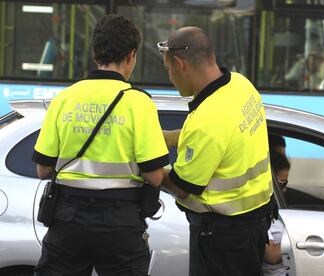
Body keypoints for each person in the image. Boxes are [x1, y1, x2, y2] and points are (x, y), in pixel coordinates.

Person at [32, 14, 169, 276]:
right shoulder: (139, 103)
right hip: (120, 223)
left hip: (67, 220)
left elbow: (43, 171)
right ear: (132, 55)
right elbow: (153, 177)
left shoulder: (64, 98)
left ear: (96, 54)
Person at [158, 26, 275, 276]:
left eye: (168, 69)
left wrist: (149, 167)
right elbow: (221, 138)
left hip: (222, 238)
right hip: (252, 226)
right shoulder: (241, 86)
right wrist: (167, 138)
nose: (170, 77)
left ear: (180, 64)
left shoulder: (207, 119)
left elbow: (183, 185)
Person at [263, 150, 291, 276]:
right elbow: (271, 255)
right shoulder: (262, 211)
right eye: (282, 184)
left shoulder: (275, 207)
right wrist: (299, 242)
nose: (285, 189)